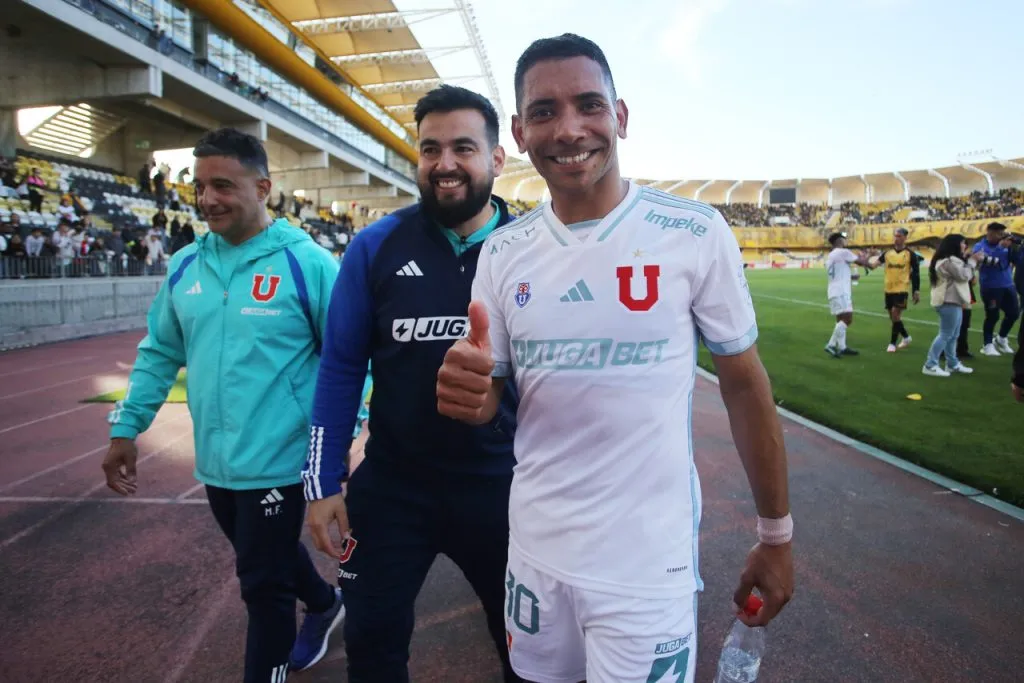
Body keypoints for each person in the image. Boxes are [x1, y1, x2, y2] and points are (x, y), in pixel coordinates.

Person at [435, 34, 794, 683]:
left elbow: (744, 387)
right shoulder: (503, 252)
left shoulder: (692, 232)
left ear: (620, 116)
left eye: (588, 105)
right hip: (535, 557)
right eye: (544, 112)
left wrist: (777, 533)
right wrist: (472, 393)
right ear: (518, 131)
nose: (569, 128)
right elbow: (493, 391)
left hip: (644, 570)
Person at [101, 128, 345, 683]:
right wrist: (126, 428)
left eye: (224, 186)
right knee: (272, 559)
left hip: (282, 463)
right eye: (201, 186)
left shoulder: (309, 265)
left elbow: (348, 362)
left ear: (263, 188)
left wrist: (330, 449)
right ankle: (327, 604)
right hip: (216, 463)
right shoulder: (186, 264)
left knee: (263, 586)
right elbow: (161, 350)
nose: (208, 198)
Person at [301, 85, 523, 683]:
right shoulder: (374, 247)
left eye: (462, 148)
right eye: (430, 149)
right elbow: (342, 367)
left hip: (503, 488)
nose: (445, 163)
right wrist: (320, 482)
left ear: (496, 160)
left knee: (527, 649)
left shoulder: (535, 251)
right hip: (393, 489)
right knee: (371, 645)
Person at [922, 234, 984, 377]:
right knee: (946, 334)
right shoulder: (947, 261)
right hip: (947, 301)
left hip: (954, 301)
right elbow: (964, 275)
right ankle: (930, 364)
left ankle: (952, 363)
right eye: (963, 243)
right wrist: (972, 261)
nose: (965, 246)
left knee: (953, 335)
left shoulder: (949, 260)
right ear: (955, 245)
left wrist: (969, 260)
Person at [824, 231, 875, 358]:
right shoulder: (843, 252)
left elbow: (837, 274)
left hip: (833, 291)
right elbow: (864, 263)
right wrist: (870, 254)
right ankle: (830, 344)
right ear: (839, 241)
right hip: (842, 292)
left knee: (840, 320)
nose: (845, 241)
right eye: (843, 239)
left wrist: (851, 277)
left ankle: (842, 347)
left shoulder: (830, 256)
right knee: (847, 319)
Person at [973, 222, 1019, 356]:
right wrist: (1000, 248)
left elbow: (1015, 260)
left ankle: (1001, 338)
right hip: (991, 287)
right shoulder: (980, 246)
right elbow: (989, 261)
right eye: (999, 233)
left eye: (1002, 233)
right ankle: (987, 345)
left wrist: (1015, 247)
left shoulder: (1006, 245)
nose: (1001, 236)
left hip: (1008, 284)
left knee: (1014, 313)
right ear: (990, 233)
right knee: (992, 316)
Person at [877, 227, 923, 352]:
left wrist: (916, 291)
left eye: (899, 236)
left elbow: (916, 274)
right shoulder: (887, 253)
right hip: (888, 289)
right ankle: (906, 337)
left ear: (904, 237)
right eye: (895, 236)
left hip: (902, 289)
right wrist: (864, 260)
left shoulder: (910, 254)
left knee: (895, 314)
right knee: (893, 317)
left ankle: (892, 344)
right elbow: (874, 265)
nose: (896, 238)